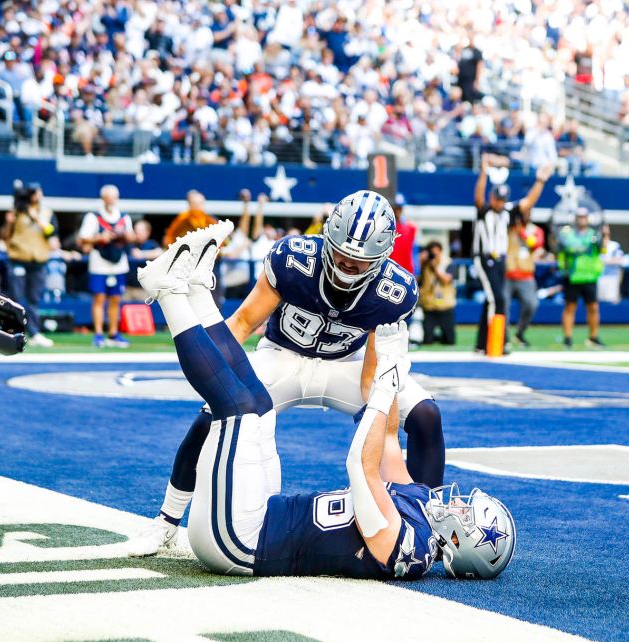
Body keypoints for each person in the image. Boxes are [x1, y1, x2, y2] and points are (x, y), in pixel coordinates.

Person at [134, 227, 516, 579]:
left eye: (467, 514)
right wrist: (393, 371)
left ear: (457, 542)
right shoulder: (296, 258)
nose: (458, 500)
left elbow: (363, 461)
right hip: (283, 357)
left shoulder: (409, 548)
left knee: (237, 408)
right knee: (227, 411)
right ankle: (196, 288)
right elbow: (383, 443)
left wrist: (385, 385)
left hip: (248, 535)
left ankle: (170, 291)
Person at [122, 191, 448, 556]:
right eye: (340, 253)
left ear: (381, 258)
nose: (345, 266)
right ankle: (166, 522)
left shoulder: (394, 291)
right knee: (211, 416)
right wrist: (217, 376)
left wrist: (378, 419)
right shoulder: (294, 259)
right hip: (282, 356)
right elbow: (244, 322)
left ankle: (423, 522)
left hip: (347, 367)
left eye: (358, 262)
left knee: (425, 414)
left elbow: (369, 381)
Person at [472, 154, 551, 353]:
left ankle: (481, 344)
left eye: (502, 200)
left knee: (492, 299)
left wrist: (540, 181)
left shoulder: (507, 212)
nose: (499, 203)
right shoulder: (485, 211)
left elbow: (527, 203)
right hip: (484, 258)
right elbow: (478, 197)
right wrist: (483, 172)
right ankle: (495, 343)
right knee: (497, 299)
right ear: (493, 198)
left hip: (500, 260)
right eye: (497, 199)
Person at [1, 182, 58, 347]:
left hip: (38, 262)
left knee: (34, 299)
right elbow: (5, 235)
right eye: (33, 193)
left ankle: (34, 332)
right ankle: (14, 332)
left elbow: (51, 233)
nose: (36, 196)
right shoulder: (17, 212)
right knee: (16, 298)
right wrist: (9, 222)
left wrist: (35, 217)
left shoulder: (47, 213)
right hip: (18, 259)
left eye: (38, 192)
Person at [77, 184, 134, 348]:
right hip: (99, 261)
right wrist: (100, 238)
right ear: (103, 199)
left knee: (116, 298)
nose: (110, 200)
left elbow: (131, 237)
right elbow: (83, 239)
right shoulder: (93, 217)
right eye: (107, 197)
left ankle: (113, 333)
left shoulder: (124, 217)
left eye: (113, 197)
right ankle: (99, 333)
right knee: (99, 298)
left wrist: (125, 235)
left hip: (118, 262)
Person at [557, 206, 605, 348]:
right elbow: (564, 250)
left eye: (584, 217)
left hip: (590, 276)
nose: (582, 219)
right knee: (570, 307)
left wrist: (605, 235)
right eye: (579, 217)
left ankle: (593, 337)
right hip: (572, 276)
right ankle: (568, 338)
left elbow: (602, 248)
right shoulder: (568, 235)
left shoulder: (594, 234)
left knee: (593, 307)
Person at [504, 214, 544, 348]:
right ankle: (504, 337)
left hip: (526, 274)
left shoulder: (535, 230)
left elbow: (536, 244)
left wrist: (522, 231)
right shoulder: (508, 229)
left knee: (531, 304)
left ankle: (520, 333)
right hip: (507, 274)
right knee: (502, 306)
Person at [417, 241, 457, 345]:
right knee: (427, 340)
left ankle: (442, 337)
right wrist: (420, 263)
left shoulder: (448, 263)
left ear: (441, 252)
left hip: (445, 305)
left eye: (436, 253)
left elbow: (446, 279)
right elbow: (417, 280)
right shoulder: (424, 264)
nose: (434, 256)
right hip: (429, 306)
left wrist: (435, 268)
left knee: (450, 341)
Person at [390, 193, 417, 274]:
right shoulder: (385, 227)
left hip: (406, 272)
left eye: (400, 207)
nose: (398, 210)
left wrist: (416, 271)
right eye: (396, 207)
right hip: (389, 270)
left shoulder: (411, 229)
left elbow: (414, 252)